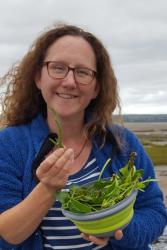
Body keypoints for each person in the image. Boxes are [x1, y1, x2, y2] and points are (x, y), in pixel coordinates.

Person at [0, 23, 166, 250]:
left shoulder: (122, 143)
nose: (69, 82)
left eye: (82, 72)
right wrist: (48, 188)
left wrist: (117, 229)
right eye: (57, 68)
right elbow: (6, 235)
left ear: (97, 87)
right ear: (39, 77)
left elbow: (154, 212)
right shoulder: (9, 145)